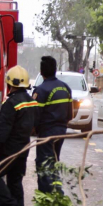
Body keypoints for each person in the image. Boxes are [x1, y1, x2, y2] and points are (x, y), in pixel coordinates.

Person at [0, 65, 37, 206]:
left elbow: (3, 131)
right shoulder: (32, 102)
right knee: (15, 179)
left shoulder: (10, 104)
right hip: (24, 147)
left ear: (10, 84)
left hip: (9, 149)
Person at [33, 56, 73, 194]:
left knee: (43, 165)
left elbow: (35, 117)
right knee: (54, 162)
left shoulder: (41, 90)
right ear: (55, 70)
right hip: (61, 132)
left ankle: (48, 198)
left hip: (46, 134)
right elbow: (70, 115)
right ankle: (56, 197)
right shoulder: (66, 88)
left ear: (41, 71)